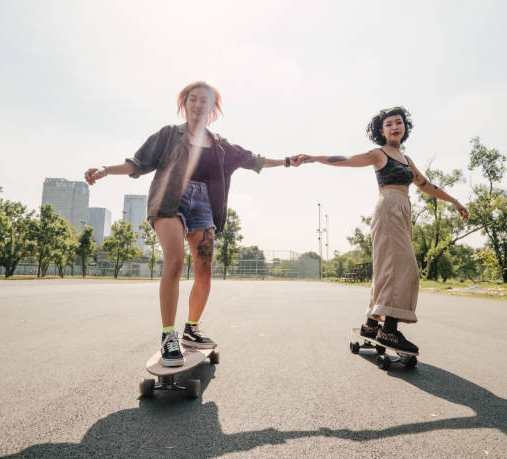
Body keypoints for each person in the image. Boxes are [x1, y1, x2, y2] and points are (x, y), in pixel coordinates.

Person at [84, 81, 290, 366]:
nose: (198, 104)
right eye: (193, 99)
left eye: (204, 100)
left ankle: (191, 329)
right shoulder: (169, 135)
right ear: (185, 103)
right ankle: (169, 336)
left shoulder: (220, 146)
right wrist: (106, 170)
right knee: (176, 262)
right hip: (171, 200)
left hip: (204, 204)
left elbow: (254, 160)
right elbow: (137, 163)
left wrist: (289, 161)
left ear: (212, 107)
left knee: (204, 270)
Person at [292, 106, 468, 353]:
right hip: (388, 208)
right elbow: (346, 160)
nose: (395, 126)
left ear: (404, 127)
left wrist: (455, 202)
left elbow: (427, 185)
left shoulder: (407, 160)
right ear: (381, 131)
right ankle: (390, 331)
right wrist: (314, 157)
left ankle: (371, 325)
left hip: (403, 209)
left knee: (389, 267)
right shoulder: (379, 154)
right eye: (389, 124)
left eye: (398, 122)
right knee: (402, 268)